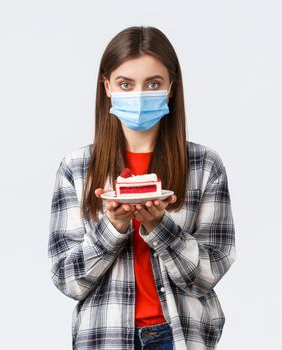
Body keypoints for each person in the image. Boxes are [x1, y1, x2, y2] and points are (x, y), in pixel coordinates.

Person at [48, 26, 236, 350]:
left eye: (153, 83)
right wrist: (114, 226)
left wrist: (159, 226)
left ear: (171, 88)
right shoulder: (77, 169)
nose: (139, 95)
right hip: (104, 336)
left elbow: (208, 273)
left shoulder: (204, 166)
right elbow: (68, 278)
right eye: (125, 84)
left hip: (178, 336)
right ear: (107, 87)